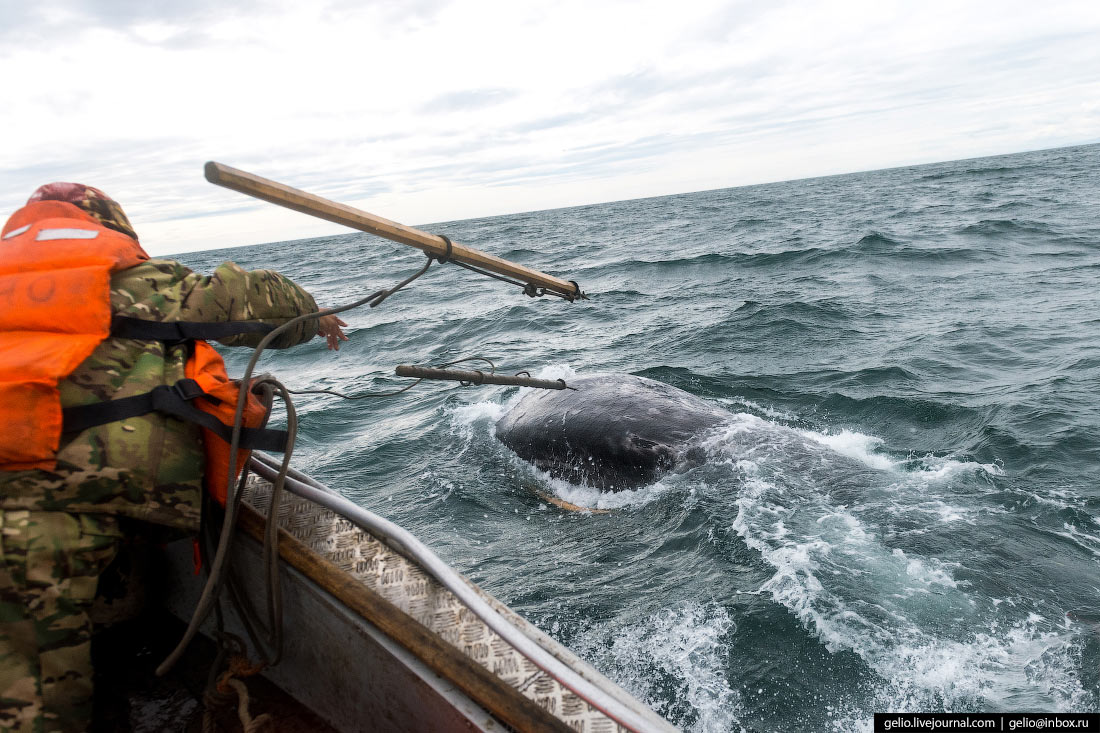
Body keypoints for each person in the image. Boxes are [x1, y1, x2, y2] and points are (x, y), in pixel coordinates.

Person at [0, 182, 347, 732]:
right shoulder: (128, 282)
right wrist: (313, 316)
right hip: (43, 518)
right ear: (111, 230)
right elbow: (259, 304)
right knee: (33, 699)